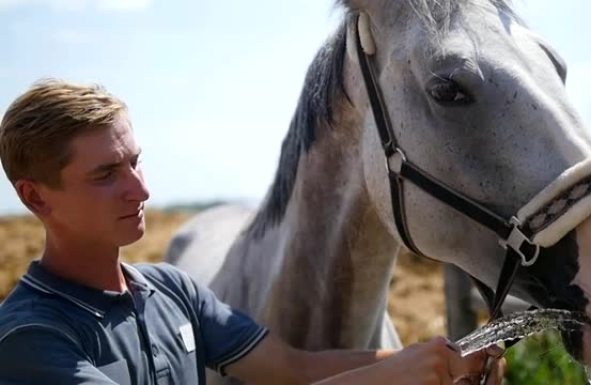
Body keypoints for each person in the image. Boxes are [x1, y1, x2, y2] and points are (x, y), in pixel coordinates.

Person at [0, 79, 506, 385]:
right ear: (35, 197)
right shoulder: (31, 336)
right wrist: (391, 378)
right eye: (106, 175)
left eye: (136, 163)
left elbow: (293, 370)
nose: (141, 190)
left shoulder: (171, 289)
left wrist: (436, 362)